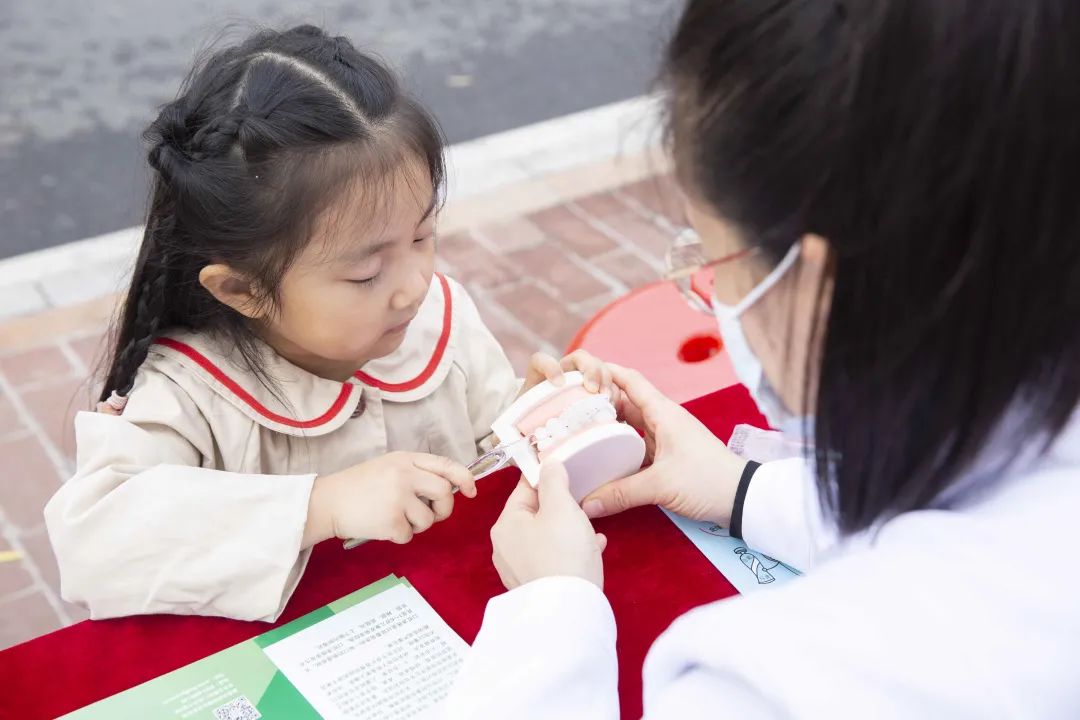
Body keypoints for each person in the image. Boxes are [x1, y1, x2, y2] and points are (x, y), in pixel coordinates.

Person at [444, 0, 1080, 716]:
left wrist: (550, 611)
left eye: (716, 262)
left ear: (814, 288)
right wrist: (743, 490)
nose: (713, 294)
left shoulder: (774, 684)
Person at [43, 25, 605, 623]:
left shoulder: (439, 320)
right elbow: (92, 546)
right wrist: (322, 505)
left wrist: (534, 421)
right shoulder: (190, 393)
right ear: (243, 290)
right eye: (366, 274)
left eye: (423, 236)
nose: (415, 285)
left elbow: (488, 456)